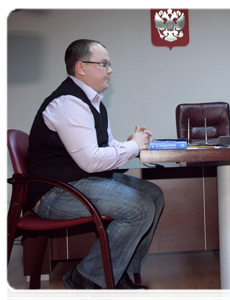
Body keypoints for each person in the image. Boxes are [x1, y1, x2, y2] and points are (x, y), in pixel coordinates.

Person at [27, 39, 165, 300]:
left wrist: (129, 144)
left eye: (108, 64)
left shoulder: (95, 102)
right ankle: (86, 278)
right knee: (139, 208)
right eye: (103, 64)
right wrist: (133, 147)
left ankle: (117, 269)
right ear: (81, 67)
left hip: (79, 182)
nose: (110, 70)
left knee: (154, 195)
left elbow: (106, 147)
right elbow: (90, 161)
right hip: (54, 193)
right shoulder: (68, 103)